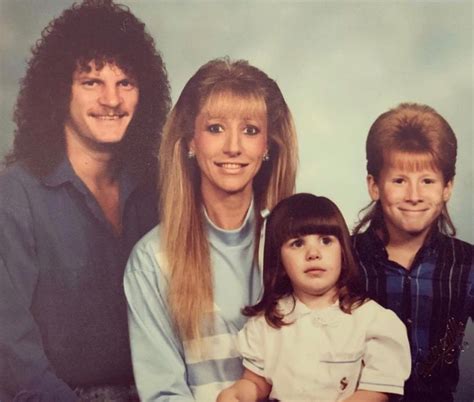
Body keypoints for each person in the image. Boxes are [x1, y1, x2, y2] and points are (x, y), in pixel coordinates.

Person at [0, 0, 170, 400]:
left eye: (125, 82)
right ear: (60, 92)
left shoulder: (160, 192)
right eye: (91, 82)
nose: (111, 100)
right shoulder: (16, 196)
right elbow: (10, 349)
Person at [124, 57, 298, 401]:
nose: (233, 147)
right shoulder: (152, 260)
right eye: (215, 128)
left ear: (267, 147)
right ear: (190, 141)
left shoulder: (297, 246)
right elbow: (163, 393)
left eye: (250, 130)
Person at [217, 193, 411, 402]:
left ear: (343, 253)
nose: (313, 253)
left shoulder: (372, 321)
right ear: (280, 261)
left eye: (326, 241)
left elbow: (374, 393)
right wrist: (237, 395)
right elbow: (256, 382)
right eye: (297, 243)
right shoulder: (268, 323)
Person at [352, 103, 474, 402]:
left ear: (447, 187)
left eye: (428, 181)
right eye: (399, 180)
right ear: (374, 186)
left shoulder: (467, 264)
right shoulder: (344, 257)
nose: (414, 196)